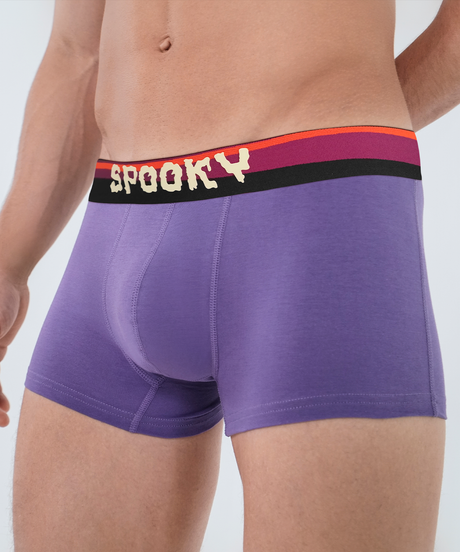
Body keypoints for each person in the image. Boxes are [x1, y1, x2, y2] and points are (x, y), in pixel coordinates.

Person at [0, 0, 457, 550]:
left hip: (312, 215)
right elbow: (78, 50)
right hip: (117, 224)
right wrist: (9, 264)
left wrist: (352, 125)